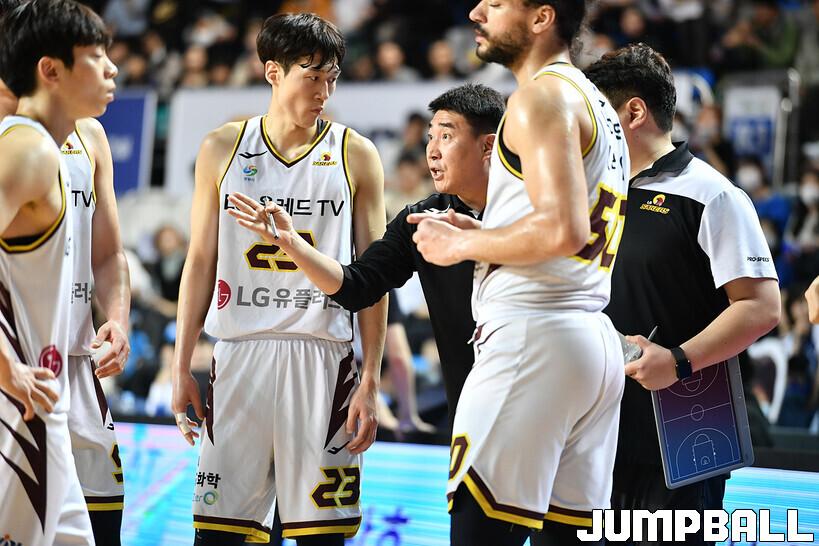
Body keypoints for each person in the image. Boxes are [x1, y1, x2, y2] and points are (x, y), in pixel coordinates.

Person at [412, 1, 630, 544]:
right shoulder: (592, 101)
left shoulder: (539, 96)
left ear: (540, 18)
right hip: (587, 344)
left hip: (534, 338)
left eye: (496, 3)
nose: (476, 12)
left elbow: (562, 228)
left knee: (479, 532)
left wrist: (463, 243)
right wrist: (489, 228)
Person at [170, 13, 387, 546]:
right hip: (240, 354)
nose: (324, 92)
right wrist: (180, 365)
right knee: (220, 535)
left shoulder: (356, 153)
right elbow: (199, 261)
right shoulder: (222, 147)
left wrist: (371, 377)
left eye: (332, 78)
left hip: (322, 358)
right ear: (273, 72)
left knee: (321, 537)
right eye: (312, 76)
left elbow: (374, 275)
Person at [586, 43, 781, 545]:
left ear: (633, 113)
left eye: (593, 112)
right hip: (596, 430)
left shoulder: (713, 194)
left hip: (685, 436)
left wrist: (677, 361)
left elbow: (762, 307)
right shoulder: (593, 194)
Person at [226, 83, 505, 428]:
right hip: (472, 407)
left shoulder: (536, 213)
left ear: (487, 146)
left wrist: (480, 240)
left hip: (541, 383)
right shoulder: (420, 220)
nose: (432, 151)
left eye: (446, 137)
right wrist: (291, 242)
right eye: (430, 137)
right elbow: (356, 287)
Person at [0, 0, 118, 544]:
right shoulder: (27, 150)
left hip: (43, 396)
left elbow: (109, 255)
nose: (112, 69)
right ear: (51, 69)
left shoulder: (52, 145)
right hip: (17, 401)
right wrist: (9, 369)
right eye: (95, 56)